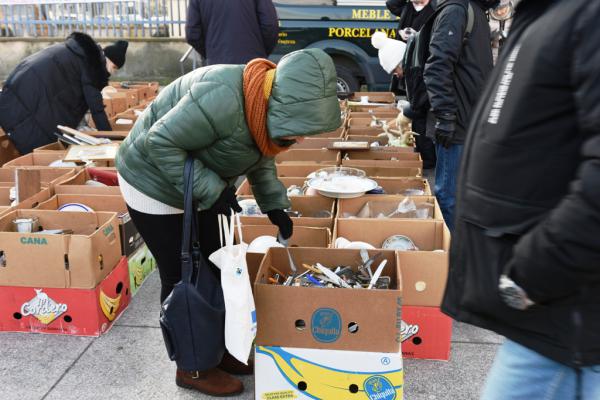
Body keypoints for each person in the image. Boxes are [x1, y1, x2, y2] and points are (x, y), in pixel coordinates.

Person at [115, 48, 341, 397]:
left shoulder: (261, 101)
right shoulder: (221, 95)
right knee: (183, 276)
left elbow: (260, 153)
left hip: (200, 185)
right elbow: (158, 142)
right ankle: (193, 366)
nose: (301, 139)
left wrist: (274, 204)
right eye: (300, 129)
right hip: (152, 182)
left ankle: (221, 352)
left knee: (218, 266)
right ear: (281, 102)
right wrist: (212, 189)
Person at [442, 0, 600, 399]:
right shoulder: (547, 15)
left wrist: (532, 274)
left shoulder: (584, 16)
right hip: (550, 318)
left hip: (562, 317)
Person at [423, 0, 496, 231]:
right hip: (455, 124)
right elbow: (436, 67)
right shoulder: (456, 10)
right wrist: (445, 116)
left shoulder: (476, 11)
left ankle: (464, 252)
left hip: (470, 122)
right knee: (449, 196)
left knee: (462, 195)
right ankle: (455, 258)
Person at [0, 32, 127, 154]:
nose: (112, 72)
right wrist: (111, 138)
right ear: (108, 59)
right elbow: (96, 107)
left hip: (25, 80)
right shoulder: (93, 65)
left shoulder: (82, 54)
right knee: (38, 135)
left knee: (36, 126)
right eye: (114, 67)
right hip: (33, 88)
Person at [385, 0, 438, 169]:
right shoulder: (407, 7)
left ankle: (428, 160)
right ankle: (425, 157)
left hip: (422, 63)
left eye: (395, 70)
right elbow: (391, 3)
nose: (395, 74)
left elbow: (420, 101)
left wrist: (408, 112)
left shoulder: (435, 8)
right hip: (409, 55)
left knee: (423, 124)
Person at [185, 0, 278, 66]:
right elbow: (270, 25)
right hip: (253, 64)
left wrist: (212, 53)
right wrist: (261, 52)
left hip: (217, 65)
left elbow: (192, 33)